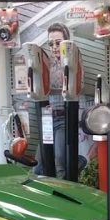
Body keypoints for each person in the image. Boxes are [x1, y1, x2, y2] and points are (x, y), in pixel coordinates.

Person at [38, 22, 70, 179]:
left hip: (63, 118)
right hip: (47, 117)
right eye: (51, 44)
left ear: (67, 41)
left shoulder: (71, 62)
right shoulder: (47, 63)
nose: (54, 47)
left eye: (58, 42)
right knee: (39, 163)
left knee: (59, 161)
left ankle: (63, 196)